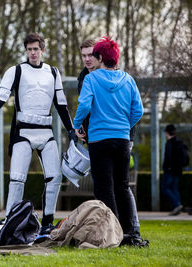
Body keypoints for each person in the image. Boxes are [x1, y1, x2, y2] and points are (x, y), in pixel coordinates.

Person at [0, 32, 76, 235]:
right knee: (17, 178)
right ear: (26, 50)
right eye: (29, 49)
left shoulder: (53, 72)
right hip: (23, 131)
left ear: (43, 50)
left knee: (55, 177)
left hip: (46, 131)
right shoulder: (16, 71)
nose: (33, 52)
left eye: (36, 49)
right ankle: (10, 220)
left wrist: (72, 130)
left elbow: (61, 105)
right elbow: (0, 97)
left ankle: (48, 221)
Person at [73, 36, 144, 246]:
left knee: (104, 188)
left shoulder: (91, 79)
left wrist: (78, 125)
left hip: (99, 140)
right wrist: (123, 125)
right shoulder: (128, 79)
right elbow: (138, 111)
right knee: (122, 186)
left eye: (95, 55)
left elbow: (84, 106)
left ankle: (114, 233)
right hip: (122, 140)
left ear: (101, 57)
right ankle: (131, 232)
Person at [162, 124, 184, 216]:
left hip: (170, 169)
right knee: (174, 188)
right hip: (178, 169)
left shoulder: (169, 143)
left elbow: (168, 157)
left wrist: (165, 167)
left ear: (167, 132)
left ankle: (176, 205)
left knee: (165, 188)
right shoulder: (179, 142)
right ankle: (177, 207)